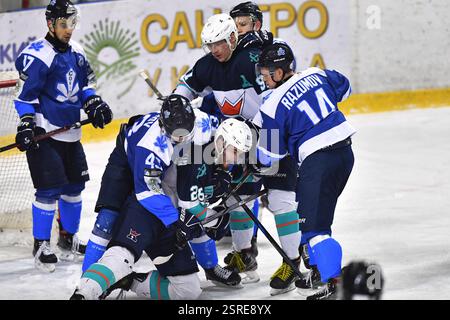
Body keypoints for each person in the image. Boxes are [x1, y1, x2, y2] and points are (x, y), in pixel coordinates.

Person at [71, 97, 251, 300]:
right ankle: (87, 287)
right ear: (163, 126)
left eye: (186, 135)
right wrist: (177, 222)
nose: (182, 140)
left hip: (170, 189)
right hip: (128, 162)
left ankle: (208, 267)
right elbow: (148, 193)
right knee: (108, 220)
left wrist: (222, 170)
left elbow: (227, 142)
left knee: (188, 286)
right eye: (177, 137)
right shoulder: (151, 147)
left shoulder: (203, 123)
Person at [174, 13, 301, 295]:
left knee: (281, 199)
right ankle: (245, 255)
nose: (215, 49)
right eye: (210, 44)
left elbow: (286, 70)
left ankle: (292, 262)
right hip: (234, 141)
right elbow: (186, 86)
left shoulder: (255, 58)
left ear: (233, 37)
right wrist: (177, 101)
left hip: (271, 136)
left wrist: (271, 40)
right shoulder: (207, 65)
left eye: (219, 42)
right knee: (238, 196)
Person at [13, 0, 112, 272]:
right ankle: (41, 244)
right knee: (48, 191)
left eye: (72, 24)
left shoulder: (77, 52)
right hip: (45, 135)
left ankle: (68, 240)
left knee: (74, 189)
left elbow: (85, 86)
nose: (69, 30)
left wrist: (93, 103)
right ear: (50, 24)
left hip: (71, 134)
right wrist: (26, 124)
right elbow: (24, 98)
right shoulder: (38, 55)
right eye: (63, 24)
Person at [255, 43, 356, 300]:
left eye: (266, 74)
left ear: (279, 73)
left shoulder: (272, 105)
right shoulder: (316, 73)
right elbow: (345, 86)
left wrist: (249, 157)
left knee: (313, 229)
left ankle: (335, 280)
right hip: (344, 153)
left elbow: (269, 157)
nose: (263, 79)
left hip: (318, 161)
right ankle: (323, 269)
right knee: (315, 219)